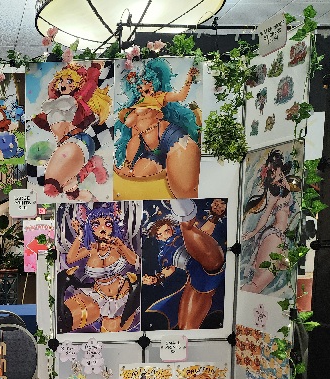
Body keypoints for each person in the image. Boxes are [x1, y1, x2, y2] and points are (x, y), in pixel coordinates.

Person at [115, 58, 200, 199]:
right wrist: (128, 165)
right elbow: (135, 139)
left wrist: (189, 79)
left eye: (146, 82)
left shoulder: (159, 97)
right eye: (139, 86)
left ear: (153, 82)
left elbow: (180, 96)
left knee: (184, 189)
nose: (143, 88)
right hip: (153, 151)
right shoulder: (135, 106)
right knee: (136, 178)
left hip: (172, 138)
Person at [31, 62, 112, 200]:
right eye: (61, 81)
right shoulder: (54, 103)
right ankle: (92, 168)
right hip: (64, 145)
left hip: (78, 140)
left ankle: (92, 164)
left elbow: (90, 84)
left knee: (53, 186)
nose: (64, 85)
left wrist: (95, 67)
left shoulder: (76, 101)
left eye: (69, 81)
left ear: (77, 84)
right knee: (70, 192)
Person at [142, 199, 225, 329]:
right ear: (157, 237)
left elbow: (204, 235)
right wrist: (157, 278)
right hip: (198, 279)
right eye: (160, 234)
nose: (164, 235)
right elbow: (169, 269)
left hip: (208, 259)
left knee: (189, 230)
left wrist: (214, 218)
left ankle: (189, 215)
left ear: (171, 228)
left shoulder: (182, 235)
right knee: (186, 327)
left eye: (166, 231)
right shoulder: (163, 255)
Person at [62, 204, 140, 332]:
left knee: (119, 333)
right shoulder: (91, 249)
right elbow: (70, 259)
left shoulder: (116, 246)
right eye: (96, 225)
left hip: (123, 295)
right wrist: (80, 235)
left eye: (108, 224)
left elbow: (135, 261)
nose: (102, 229)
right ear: (90, 227)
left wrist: (121, 246)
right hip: (99, 297)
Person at [241, 149, 294, 294]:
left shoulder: (283, 184)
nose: (274, 172)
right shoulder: (274, 191)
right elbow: (265, 215)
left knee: (259, 284)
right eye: (272, 169)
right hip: (274, 236)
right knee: (257, 284)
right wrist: (253, 232)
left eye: (275, 168)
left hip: (279, 237)